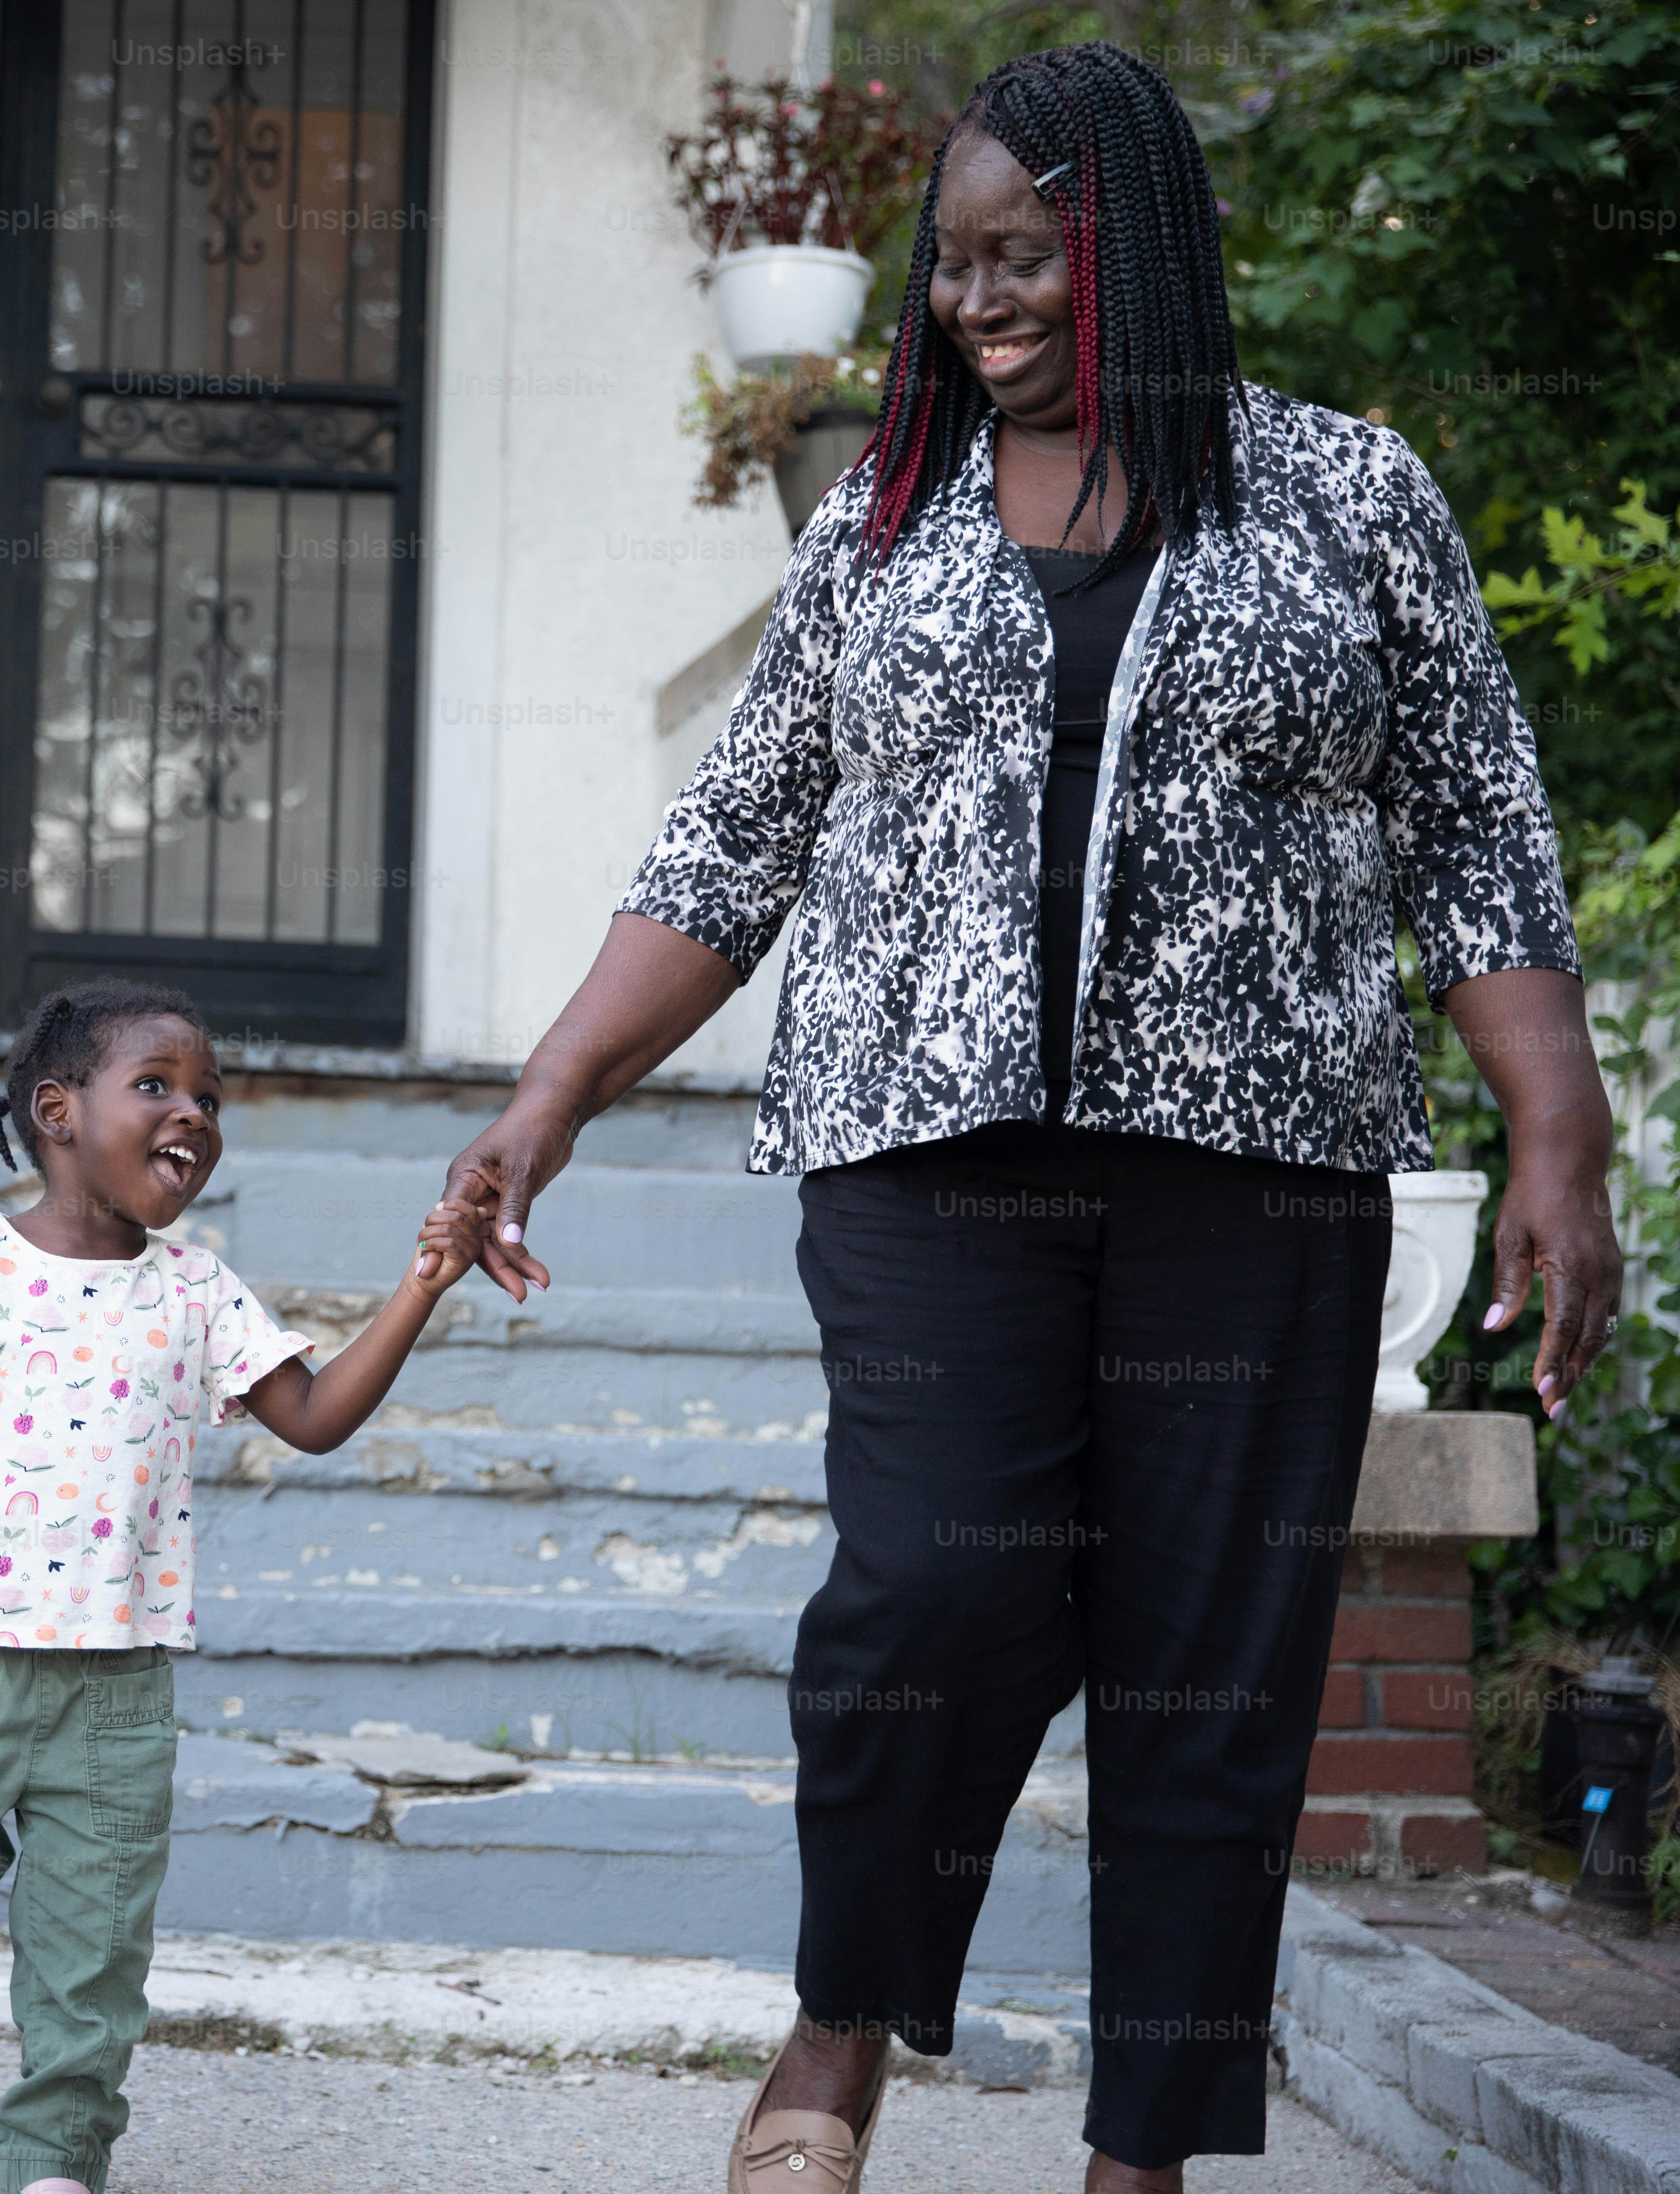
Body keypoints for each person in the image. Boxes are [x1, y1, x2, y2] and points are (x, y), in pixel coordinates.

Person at [438, 43, 1621, 2194]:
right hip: (929, 1153)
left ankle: (1145, 2157)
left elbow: (1480, 844)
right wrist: (551, 1095)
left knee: (1211, 1661)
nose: (978, 304)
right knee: (921, 1602)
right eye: (951, 266)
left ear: (1139, 250)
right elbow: (730, 844)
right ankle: (840, 2025)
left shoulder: (1347, 498)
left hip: (1256, 1171)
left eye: (1025, 259)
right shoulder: (879, 521)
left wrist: (1561, 1135)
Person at [0, 979, 482, 2194]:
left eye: (209, 1096)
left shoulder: (200, 1291)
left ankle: (55, 2159)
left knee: (93, 1955)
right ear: (57, 1110)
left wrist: (423, 1280)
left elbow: (311, 1416)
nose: (195, 1113)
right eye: (157, 1085)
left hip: (114, 1695)